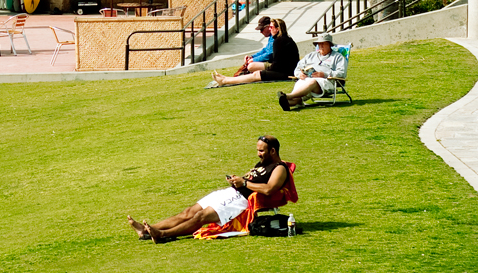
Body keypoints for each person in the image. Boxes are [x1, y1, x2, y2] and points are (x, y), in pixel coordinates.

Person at [128, 134, 290, 242]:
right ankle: (145, 231)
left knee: (201, 216)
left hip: (241, 201)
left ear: (273, 151)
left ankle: (163, 234)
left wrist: (245, 183)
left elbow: (269, 189)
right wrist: (236, 180)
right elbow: (248, 178)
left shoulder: (279, 168)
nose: (258, 154)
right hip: (232, 193)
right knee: (189, 212)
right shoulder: (262, 164)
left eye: (261, 151)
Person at [279, 33, 347, 111]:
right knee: (302, 84)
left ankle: (288, 96)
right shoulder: (311, 56)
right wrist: (300, 74)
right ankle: (289, 102)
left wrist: (324, 74)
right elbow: (297, 69)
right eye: (319, 44)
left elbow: (342, 73)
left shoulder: (337, 57)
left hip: (326, 82)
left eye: (323, 44)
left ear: (329, 44)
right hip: (306, 80)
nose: (321, 46)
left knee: (312, 81)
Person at [208, 16, 275, 87]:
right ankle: (226, 79)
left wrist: (253, 60)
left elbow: (269, 54)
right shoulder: (272, 38)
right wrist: (252, 57)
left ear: (269, 27)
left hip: (277, 67)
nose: (260, 32)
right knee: (252, 70)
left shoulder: (276, 39)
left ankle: (225, 80)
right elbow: (265, 50)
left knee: (251, 68)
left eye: (262, 29)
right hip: (276, 66)